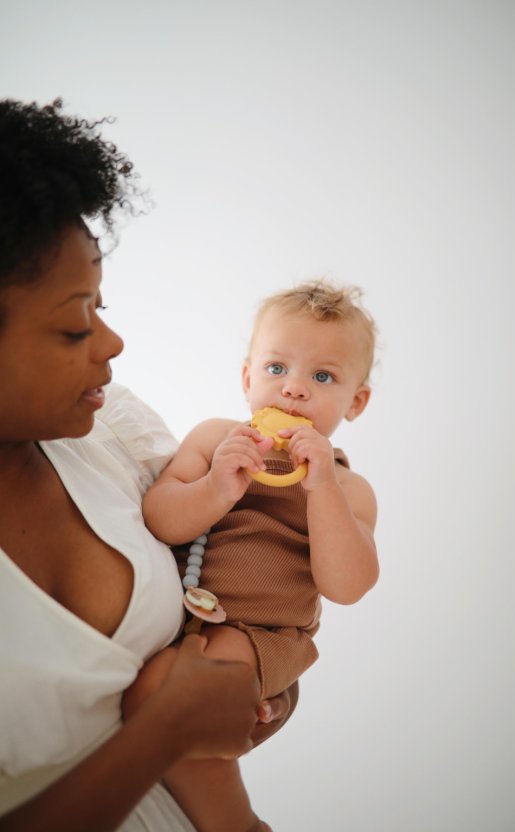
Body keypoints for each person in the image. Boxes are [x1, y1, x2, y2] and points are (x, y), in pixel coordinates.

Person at [0, 98, 297, 832]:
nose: (111, 342)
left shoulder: (112, 430)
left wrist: (261, 681)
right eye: (75, 323)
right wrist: (167, 729)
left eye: (101, 304)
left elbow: (228, 581)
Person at [127, 280, 380, 831]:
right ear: (247, 378)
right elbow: (158, 518)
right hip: (185, 615)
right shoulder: (216, 439)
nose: (293, 390)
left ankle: (238, 824)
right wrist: (216, 488)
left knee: (169, 694)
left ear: (355, 402)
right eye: (276, 368)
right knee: (158, 704)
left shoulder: (348, 488)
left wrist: (323, 493)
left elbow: (347, 586)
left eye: (322, 377)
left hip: (262, 637)